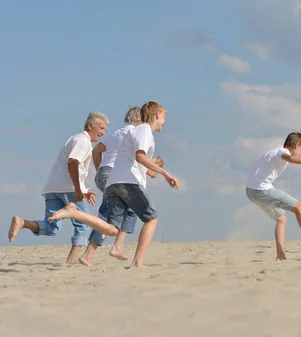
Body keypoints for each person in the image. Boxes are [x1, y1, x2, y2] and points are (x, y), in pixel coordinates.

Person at [47, 101, 179, 269]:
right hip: (127, 181)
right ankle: (135, 260)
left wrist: (101, 171)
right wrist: (165, 173)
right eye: (164, 117)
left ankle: (76, 215)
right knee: (151, 218)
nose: (165, 122)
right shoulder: (143, 130)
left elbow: (124, 157)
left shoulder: (121, 132)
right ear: (157, 115)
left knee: (111, 226)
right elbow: (139, 157)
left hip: (112, 180)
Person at [8, 112, 110, 263]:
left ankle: (22, 222)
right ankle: (71, 261)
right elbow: (72, 163)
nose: (102, 133)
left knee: (51, 226)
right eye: (101, 128)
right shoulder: (83, 140)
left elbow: (70, 166)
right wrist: (77, 189)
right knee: (83, 225)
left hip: (53, 188)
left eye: (104, 130)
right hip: (69, 189)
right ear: (90, 126)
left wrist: (84, 189)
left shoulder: (74, 138)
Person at [79, 106, 164, 266]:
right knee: (117, 212)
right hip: (118, 176)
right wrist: (152, 169)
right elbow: (135, 160)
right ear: (138, 120)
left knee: (112, 212)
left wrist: (101, 171)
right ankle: (110, 248)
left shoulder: (114, 133)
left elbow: (96, 152)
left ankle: (95, 252)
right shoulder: (136, 132)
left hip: (106, 174)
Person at [246, 132, 301, 260]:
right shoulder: (282, 152)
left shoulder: (274, 152)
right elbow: (291, 158)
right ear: (297, 145)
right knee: (299, 207)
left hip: (251, 191)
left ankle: (281, 255)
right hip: (261, 190)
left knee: (281, 218)